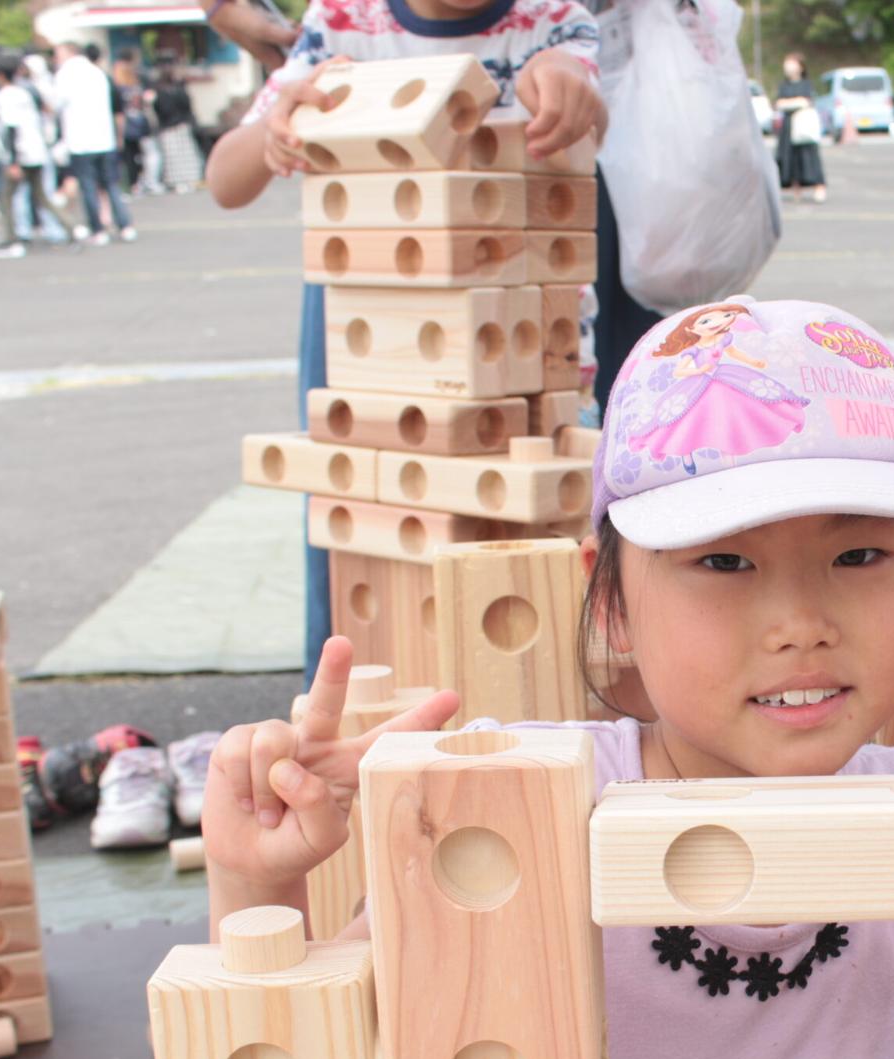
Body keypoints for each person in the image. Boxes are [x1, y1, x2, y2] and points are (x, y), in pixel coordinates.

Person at [200, 298, 894, 1059]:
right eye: (724, 563)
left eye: (859, 558)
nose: (800, 624)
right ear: (610, 607)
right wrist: (259, 885)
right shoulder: (525, 808)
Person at [204, 0, 603, 682]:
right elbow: (225, 178)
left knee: (543, 596)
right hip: (380, 369)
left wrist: (568, 78)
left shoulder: (554, 14)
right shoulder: (342, 21)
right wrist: (281, 127)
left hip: (537, 367)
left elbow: (590, 113)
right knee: (376, 584)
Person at [0, 53, 84, 259]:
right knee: (42, 197)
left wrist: (13, 160)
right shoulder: (26, 92)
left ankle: (11, 239)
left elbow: (11, 130)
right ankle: (71, 227)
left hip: (20, 154)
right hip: (36, 150)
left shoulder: (5, 96)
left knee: (6, 199)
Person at [53, 42, 135, 243]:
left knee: (88, 186)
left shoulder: (66, 75)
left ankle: (98, 229)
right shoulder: (98, 73)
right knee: (111, 185)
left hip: (80, 140)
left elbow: (56, 104)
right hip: (104, 138)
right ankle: (124, 225)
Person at [774, 54, 826, 203]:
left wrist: (790, 103)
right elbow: (779, 103)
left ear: (800, 66)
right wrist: (795, 102)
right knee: (790, 158)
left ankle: (819, 186)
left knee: (809, 156)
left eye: (791, 63)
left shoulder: (806, 84)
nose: (788, 66)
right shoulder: (784, 85)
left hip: (803, 126)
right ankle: (795, 188)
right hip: (788, 127)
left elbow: (806, 101)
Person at [151, 64, 201, 192]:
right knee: (185, 156)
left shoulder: (159, 92)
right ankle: (189, 180)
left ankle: (178, 182)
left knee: (174, 158)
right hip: (181, 125)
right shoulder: (179, 90)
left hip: (169, 127)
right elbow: (188, 106)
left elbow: (158, 110)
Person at [112, 54, 153, 195]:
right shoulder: (137, 87)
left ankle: (131, 184)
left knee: (128, 158)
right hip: (140, 125)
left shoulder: (119, 89)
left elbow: (119, 112)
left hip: (127, 126)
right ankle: (139, 183)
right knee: (140, 156)